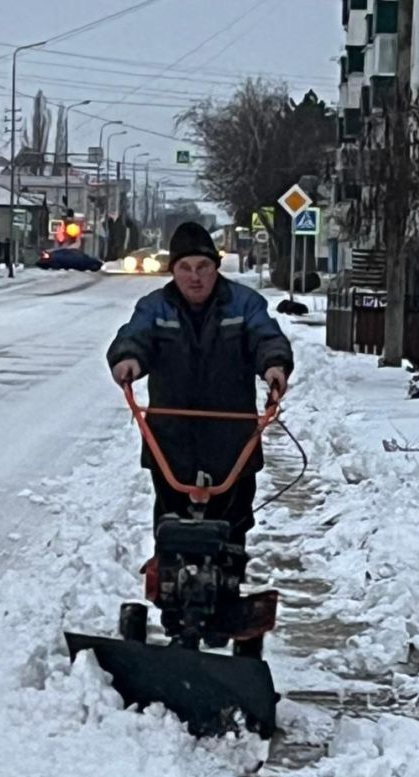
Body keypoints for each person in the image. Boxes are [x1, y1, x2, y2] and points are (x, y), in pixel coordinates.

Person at [107, 222, 293, 652]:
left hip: (232, 437)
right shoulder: (155, 308)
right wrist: (128, 361)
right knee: (171, 526)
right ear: (174, 271)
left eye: (204, 266)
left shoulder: (243, 304)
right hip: (171, 440)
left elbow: (267, 337)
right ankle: (173, 597)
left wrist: (274, 366)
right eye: (186, 267)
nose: (195, 276)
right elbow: (133, 337)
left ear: (216, 267)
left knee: (232, 527)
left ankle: (225, 596)